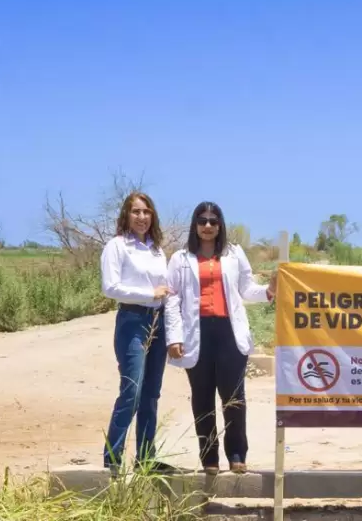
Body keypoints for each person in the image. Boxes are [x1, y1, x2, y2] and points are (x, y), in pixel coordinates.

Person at [163, 201, 277, 475]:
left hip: (229, 332)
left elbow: (247, 289)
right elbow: (172, 299)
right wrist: (174, 337)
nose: (208, 226)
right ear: (195, 225)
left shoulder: (234, 254)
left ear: (220, 225)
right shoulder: (180, 258)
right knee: (202, 398)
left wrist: (270, 290)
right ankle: (209, 458)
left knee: (234, 396)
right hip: (196, 333)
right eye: (202, 220)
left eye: (214, 221)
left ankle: (237, 454)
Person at [99, 191, 174, 475]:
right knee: (131, 390)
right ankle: (112, 460)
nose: (141, 217)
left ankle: (146, 459)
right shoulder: (117, 246)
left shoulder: (157, 250)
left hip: (159, 320)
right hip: (132, 320)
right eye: (136, 212)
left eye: (146, 212)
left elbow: (166, 287)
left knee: (151, 394)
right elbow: (110, 287)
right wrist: (148, 293)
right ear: (126, 216)